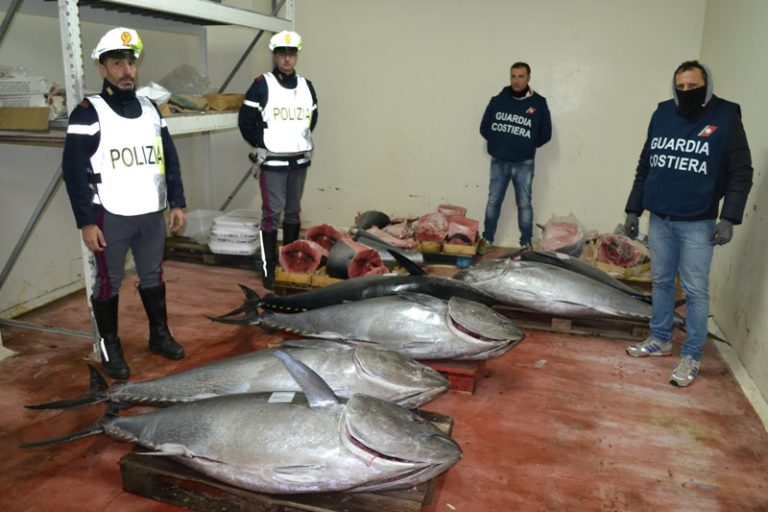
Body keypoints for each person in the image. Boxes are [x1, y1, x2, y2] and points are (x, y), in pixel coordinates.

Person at [62, 27, 188, 380]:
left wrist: (176, 202)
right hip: (110, 213)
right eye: (117, 63)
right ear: (103, 69)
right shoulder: (88, 112)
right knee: (108, 283)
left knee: (153, 275)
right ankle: (109, 346)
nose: (126, 71)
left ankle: (159, 335)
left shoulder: (150, 109)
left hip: (151, 210)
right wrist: (86, 222)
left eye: (130, 63)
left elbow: (169, 159)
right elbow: (72, 172)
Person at [623, 60, 753, 387]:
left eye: (692, 88)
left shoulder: (725, 117)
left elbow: (741, 172)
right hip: (661, 218)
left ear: (706, 86)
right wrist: (633, 209)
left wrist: (729, 217)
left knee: (695, 291)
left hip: (699, 222)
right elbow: (645, 164)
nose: (686, 93)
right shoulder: (662, 114)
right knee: (662, 282)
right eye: (680, 88)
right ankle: (660, 339)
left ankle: (692, 353)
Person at [238, 30, 318, 289]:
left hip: (298, 161)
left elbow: (311, 119)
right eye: (282, 54)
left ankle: (291, 262)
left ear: (296, 56)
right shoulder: (262, 84)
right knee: (272, 213)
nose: (287, 59)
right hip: (272, 162)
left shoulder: (307, 85)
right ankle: (268, 266)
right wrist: (261, 144)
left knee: (293, 211)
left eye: (291, 54)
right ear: (275, 56)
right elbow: (246, 121)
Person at [478, 62, 552, 253]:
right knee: (493, 200)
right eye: (513, 76)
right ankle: (487, 239)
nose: (516, 80)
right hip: (499, 161)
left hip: (524, 162)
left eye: (521, 76)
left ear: (528, 78)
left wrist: (526, 145)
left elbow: (546, 133)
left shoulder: (539, 103)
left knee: (524, 204)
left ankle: (526, 242)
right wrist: (499, 144)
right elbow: (484, 128)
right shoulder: (497, 100)